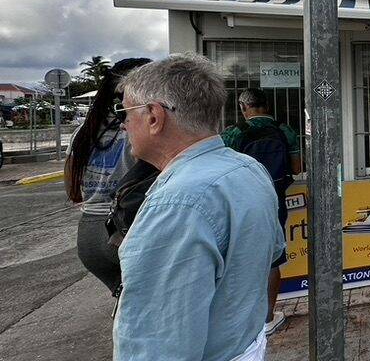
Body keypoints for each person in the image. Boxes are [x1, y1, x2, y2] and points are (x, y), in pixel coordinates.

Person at [113, 54, 284, 360]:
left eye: (125, 113)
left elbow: (158, 344)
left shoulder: (177, 203)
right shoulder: (249, 168)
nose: (124, 125)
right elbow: (271, 254)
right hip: (247, 342)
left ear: (154, 116)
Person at [65, 57, 151, 294]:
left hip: (88, 235)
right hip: (125, 229)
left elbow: (72, 189)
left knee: (124, 303)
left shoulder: (83, 133)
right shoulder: (141, 129)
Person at [222, 88, 302, 335]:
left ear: (243, 108)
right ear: (266, 106)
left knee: (238, 256)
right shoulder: (284, 130)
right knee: (272, 258)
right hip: (274, 201)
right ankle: (267, 317)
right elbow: (298, 168)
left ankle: (240, 319)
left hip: (240, 202)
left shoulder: (234, 133)